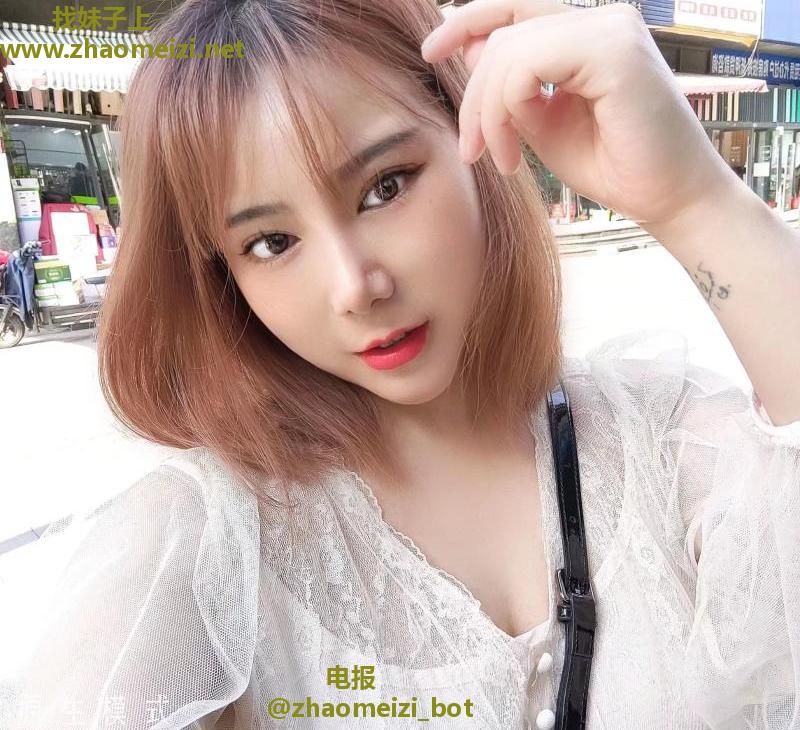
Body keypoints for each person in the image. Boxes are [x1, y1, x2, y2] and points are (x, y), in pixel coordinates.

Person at [1, 0, 799, 728]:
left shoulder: (666, 445)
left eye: (385, 187)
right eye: (272, 242)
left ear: (470, 135)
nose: (355, 287)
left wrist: (695, 201)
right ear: (224, 278)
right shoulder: (204, 541)